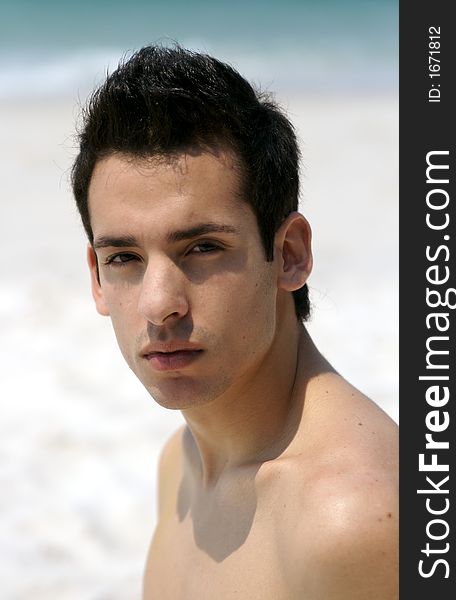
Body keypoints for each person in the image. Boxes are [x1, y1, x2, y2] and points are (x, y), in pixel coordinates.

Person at [71, 44, 398, 599]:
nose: (158, 305)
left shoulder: (352, 521)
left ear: (290, 254)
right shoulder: (181, 465)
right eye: (123, 257)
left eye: (202, 247)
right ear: (97, 279)